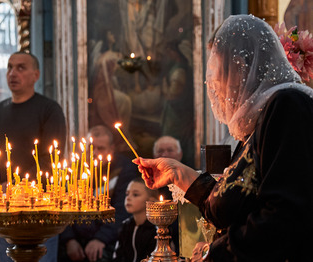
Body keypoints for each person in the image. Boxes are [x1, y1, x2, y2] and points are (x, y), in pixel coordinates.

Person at [134, 15, 313, 261]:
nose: (214, 84)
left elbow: (284, 217)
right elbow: (228, 205)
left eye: (216, 71)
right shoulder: (256, 124)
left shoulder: (287, 107)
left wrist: (214, 253)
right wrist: (177, 172)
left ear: (238, 66)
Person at [0, 51, 66, 262]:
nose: (13, 73)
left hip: (39, 208)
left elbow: (50, 159)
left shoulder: (49, 109)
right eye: (10, 67)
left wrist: (16, 187)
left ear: (35, 75)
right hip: (2, 209)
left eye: (21, 67)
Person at [59, 125, 138, 262]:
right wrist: (69, 239)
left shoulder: (124, 170)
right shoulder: (75, 170)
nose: (94, 152)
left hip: (108, 239)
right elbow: (62, 206)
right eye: (90, 148)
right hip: (75, 239)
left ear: (111, 149)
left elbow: (123, 209)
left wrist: (100, 239)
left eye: (100, 148)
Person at [112, 177, 158, 262]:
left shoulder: (156, 229)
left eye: (135, 195)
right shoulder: (125, 225)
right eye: (127, 194)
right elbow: (118, 256)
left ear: (151, 201)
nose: (128, 198)